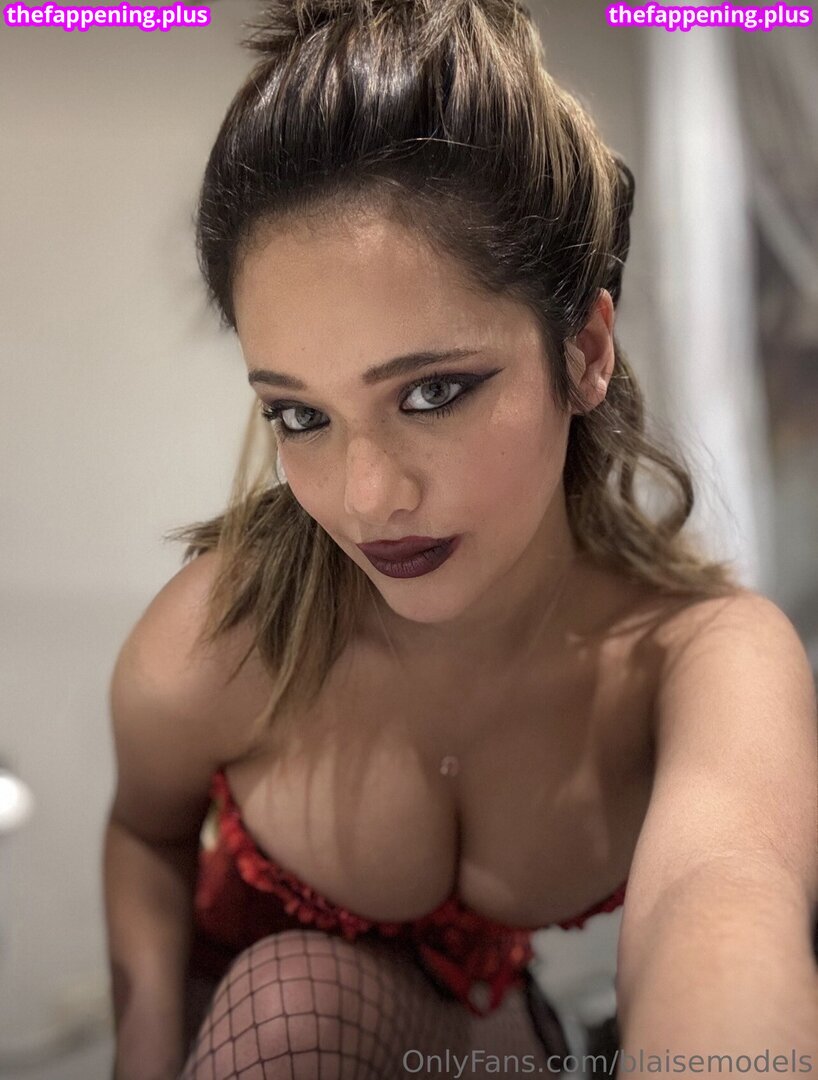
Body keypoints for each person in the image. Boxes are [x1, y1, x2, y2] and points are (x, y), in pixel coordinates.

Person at [103, 1, 818, 1078]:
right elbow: (144, 834)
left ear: (584, 351)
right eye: (299, 414)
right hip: (241, 1030)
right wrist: (146, 1051)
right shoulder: (221, 637)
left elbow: (721, 902)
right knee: (289, 1000)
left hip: (484, 1041)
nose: (366, 497)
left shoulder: (700, 659)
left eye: (433, 392)